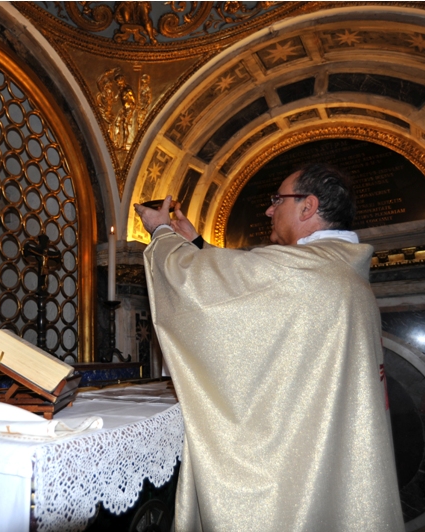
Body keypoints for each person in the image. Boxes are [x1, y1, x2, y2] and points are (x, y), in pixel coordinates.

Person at [134, 163, 404, 531]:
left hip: (289, 474)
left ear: (308, 206)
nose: (268, 210)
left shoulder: (302, 269)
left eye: (278, 200)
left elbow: (194, 284)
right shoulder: (338, 268)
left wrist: (161, 231)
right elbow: (247, 300)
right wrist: (197, 245)